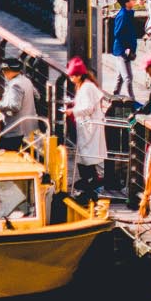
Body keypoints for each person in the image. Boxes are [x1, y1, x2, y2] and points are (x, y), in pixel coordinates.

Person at [67, 56, 108, 203]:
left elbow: (88, 108)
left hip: (90, 127)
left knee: (87, 158)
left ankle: (90, 190)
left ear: (79, 75)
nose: (71, 79)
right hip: (86, 126)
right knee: (85, 157)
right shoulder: (85, 86)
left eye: (72, 76)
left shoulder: (87, 87)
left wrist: (72, 111)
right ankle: (88, 189)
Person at [0, 52, 40, 151]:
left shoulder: (15, 85)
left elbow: (15, 106)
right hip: (29, 128)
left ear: (9, 71)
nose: (3, 73)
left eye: (4, 71)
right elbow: (37, 96)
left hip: (15, 129)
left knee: (3, 151)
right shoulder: (26, 80)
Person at [110, 0, 139, 101]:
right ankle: (131, 99)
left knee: (121, 76)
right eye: (132, 0)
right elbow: (117, 33)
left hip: (126, 49)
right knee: (128, 77)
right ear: (127, 3)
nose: (134, 1)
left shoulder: (128, 14)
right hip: (122, 50)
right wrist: (126, 47)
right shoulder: (123, 15)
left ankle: (115, 93)